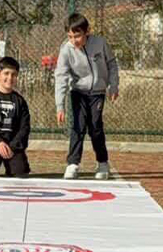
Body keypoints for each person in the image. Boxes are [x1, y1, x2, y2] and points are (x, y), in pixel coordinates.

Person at [54, 13, 119, 180]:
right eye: (70, 36)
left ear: (87, 31)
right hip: (78, 92)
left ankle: (102, 163)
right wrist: (60, 106)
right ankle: (73, 164)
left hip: (97, 92)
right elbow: (61, 76)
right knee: (78, 126)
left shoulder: (100, 43)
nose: (74, 40)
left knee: (95, 127)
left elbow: (112, 64)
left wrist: (113, 85)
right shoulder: (66, 50)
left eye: (77, 36)